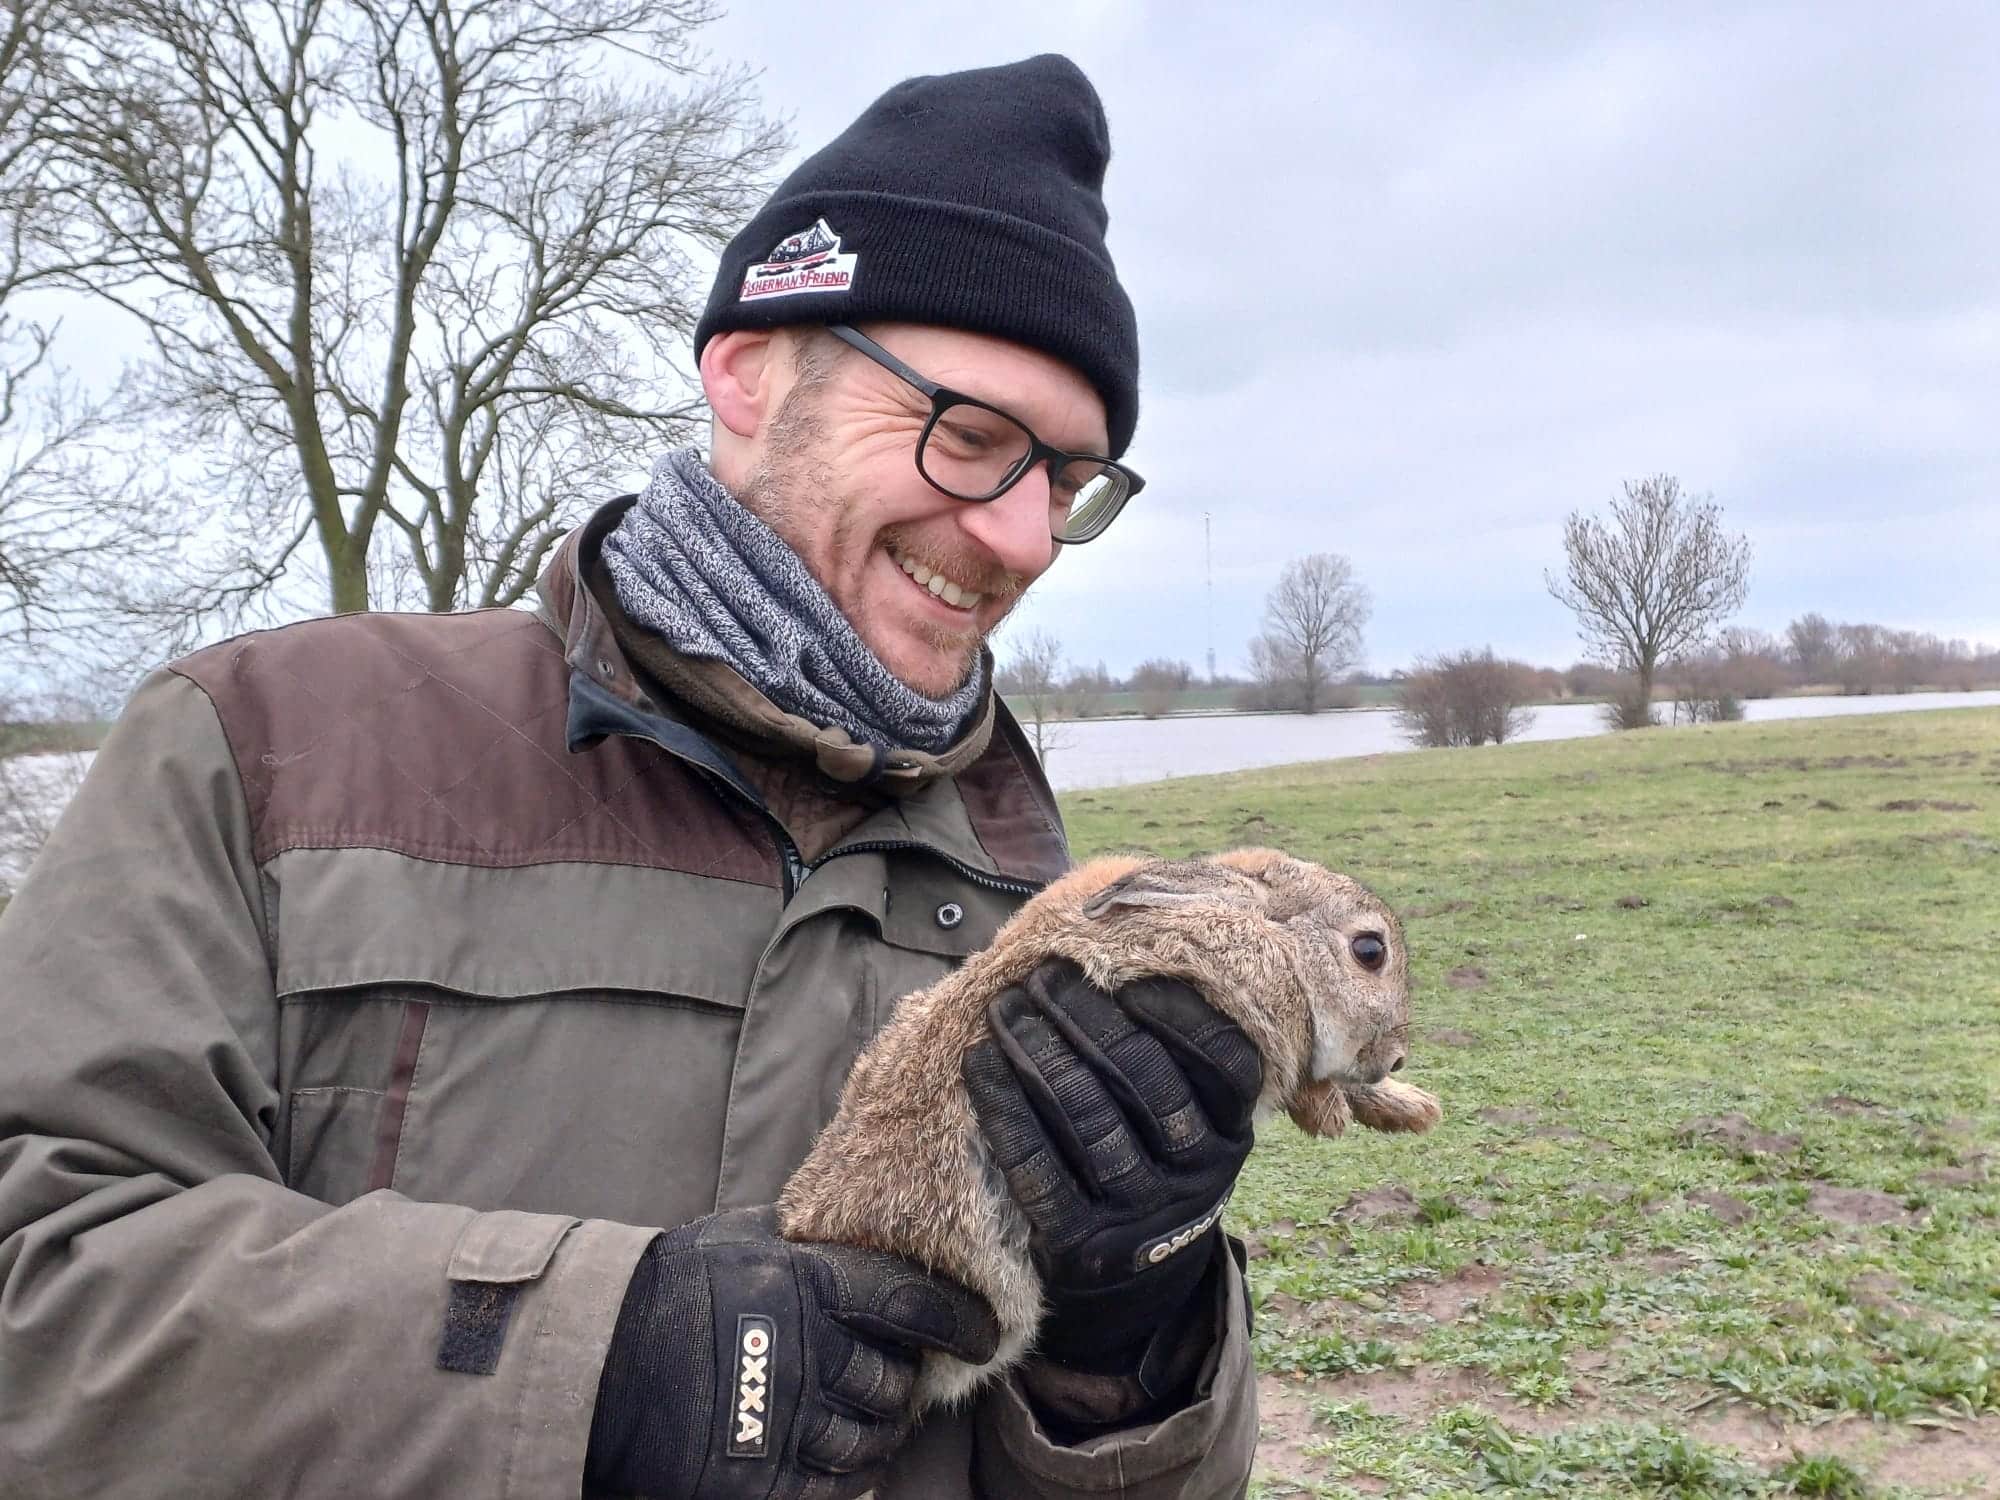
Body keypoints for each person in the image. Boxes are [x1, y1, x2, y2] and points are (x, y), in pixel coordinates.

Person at [0, 54, 1262, 1498]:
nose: (1025, 537)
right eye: (969, 438)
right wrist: (587, 1359)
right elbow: (40, 1285)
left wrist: (1134, 1349)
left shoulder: (1025, 888)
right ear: (745, 373)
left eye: (1069, 480)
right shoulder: (270, 745)